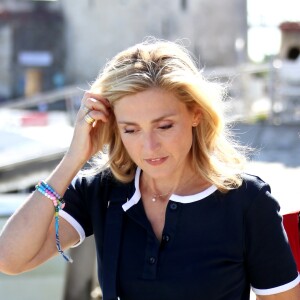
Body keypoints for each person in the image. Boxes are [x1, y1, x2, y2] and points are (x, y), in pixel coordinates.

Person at [0, 38, 299, 300]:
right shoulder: (102, 192)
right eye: (131, 130)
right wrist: (73, 159)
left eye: (164, 126)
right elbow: (10, 259)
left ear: (195, 113)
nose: (150, 147)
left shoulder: (247, 201)